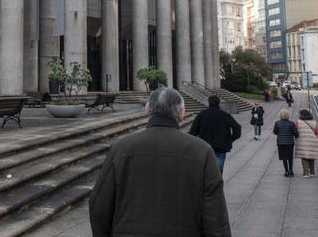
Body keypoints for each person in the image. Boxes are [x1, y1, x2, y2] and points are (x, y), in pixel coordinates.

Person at [89, 88, 231, 237]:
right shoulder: (203, 152)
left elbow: (99, 207)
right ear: (182, 113)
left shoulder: (120, 148)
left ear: (147, 110)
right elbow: (216, 218)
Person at [189, 95, 242, 175]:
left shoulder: (202, 115)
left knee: (205, 170)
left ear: (209, 102)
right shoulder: (225, 115)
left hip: (205, 146)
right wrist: (231, 139)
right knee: (218, 171)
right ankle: (217, 185)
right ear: (219, 103)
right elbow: (237, 128)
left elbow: (193, 132)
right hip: (221, 147)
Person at [273, 109, 299, 177]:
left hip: (281, 143)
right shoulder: (291, 123)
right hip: (290, 142)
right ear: (288, 115)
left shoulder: (277, 123)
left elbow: (275, 132)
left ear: (280, 115)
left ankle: (286, 171)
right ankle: (291, 171)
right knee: (290, 157)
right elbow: (296, 133)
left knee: (284, 157)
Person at [295, 109, 318, 178]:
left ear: (302, 115)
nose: (298, 115)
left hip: (302, 141)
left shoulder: (298, 122)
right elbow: (317, 132)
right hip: (312, 141)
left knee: (304, 157)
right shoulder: (314, 122)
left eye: (299, 114)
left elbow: (295, 130)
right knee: (311, 156)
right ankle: (312, 172)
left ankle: (306, 173)